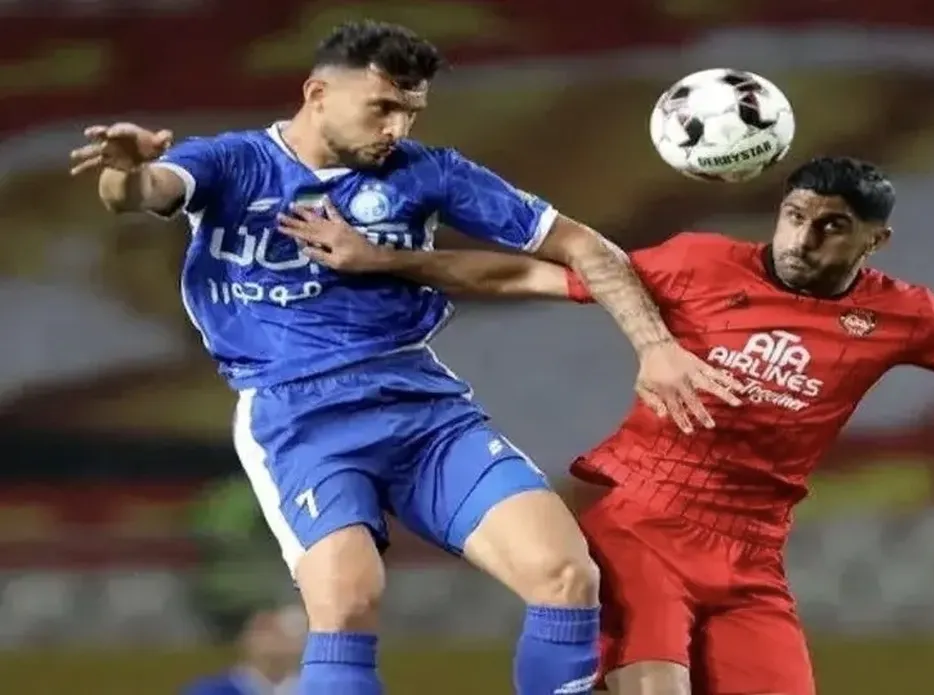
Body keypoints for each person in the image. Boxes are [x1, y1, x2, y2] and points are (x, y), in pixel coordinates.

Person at [275, 155, 934, 695]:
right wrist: (383, 259)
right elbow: (527, 274)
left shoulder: (907, 315)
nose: (803, 237)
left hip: (753, 555)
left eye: (831, 226)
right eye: (795, 215)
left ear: (873, 240)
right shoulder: (697, 263)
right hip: (642, 526)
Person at [67, 20, 742, 695]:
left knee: (567, 575)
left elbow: (585, 247)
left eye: (411, 111)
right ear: (317, 93)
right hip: (299, 415)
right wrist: (127, 171)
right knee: (348, 601)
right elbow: (143, 192)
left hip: (421, 404)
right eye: (382, 108)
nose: (397, 128)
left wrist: (656, 347)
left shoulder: (429, 172)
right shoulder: (235, 162)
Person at [182, 605, 306, 695]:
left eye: (278, 631)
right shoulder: (210, 690)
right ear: (245, 639)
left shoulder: (310, 688)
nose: (271, 639)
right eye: (262, 630)